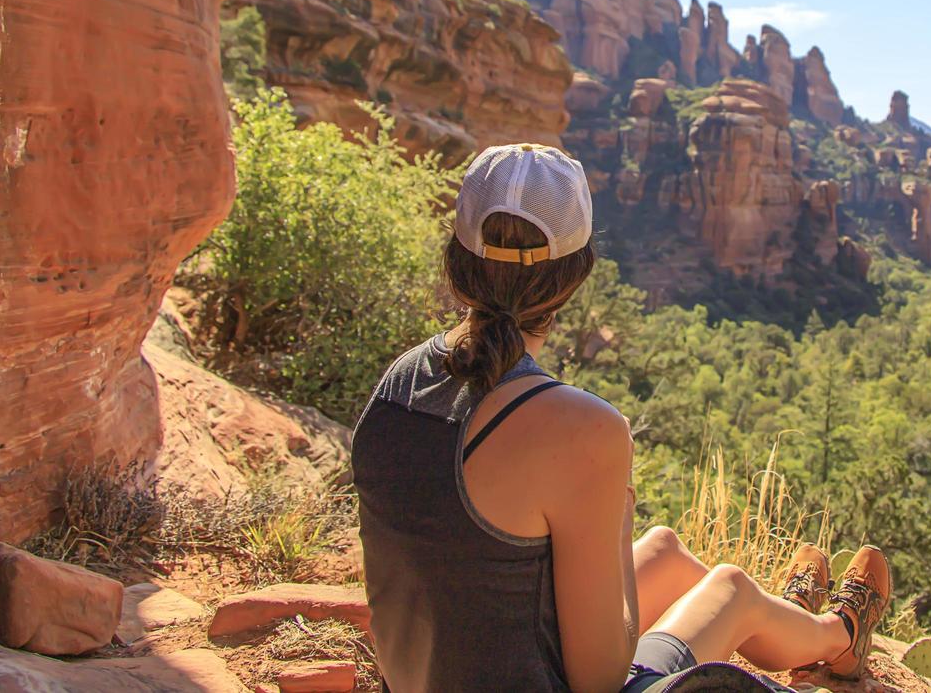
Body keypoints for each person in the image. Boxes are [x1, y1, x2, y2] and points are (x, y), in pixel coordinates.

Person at [352, 143, 892, 693]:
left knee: (665, 551)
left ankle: (800, 624)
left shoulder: (398, 383)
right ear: (576, 276)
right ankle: (839, 634)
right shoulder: (581, 429)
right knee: (728, 585)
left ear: (458, 257)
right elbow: (600, 679)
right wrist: (617, 530)